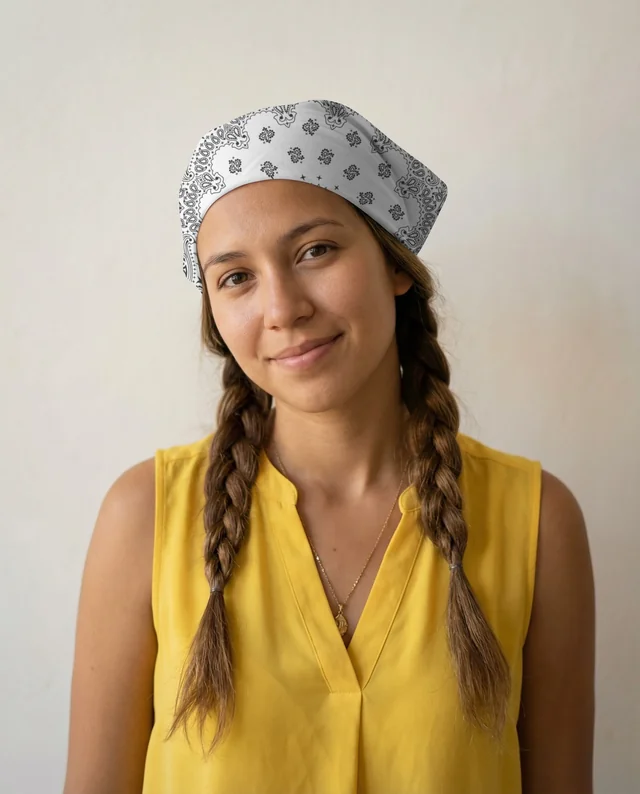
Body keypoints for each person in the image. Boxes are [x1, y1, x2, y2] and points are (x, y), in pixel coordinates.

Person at [63, 99, 595, 794]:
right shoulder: (145, 517)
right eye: (237, 277)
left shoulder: (538, 521)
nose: (282, 308)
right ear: (217, 318)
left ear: (394, 264)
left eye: (316, 250)